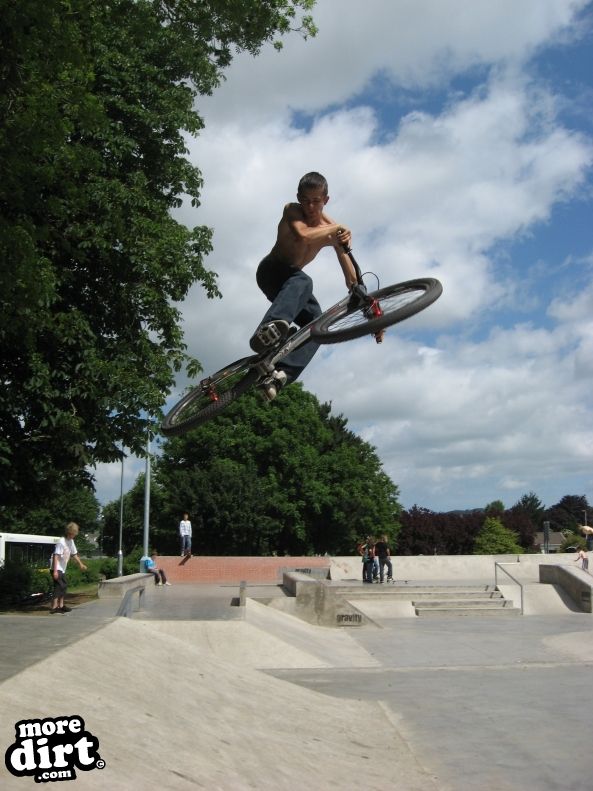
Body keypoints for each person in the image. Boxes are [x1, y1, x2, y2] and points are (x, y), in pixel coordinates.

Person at [249, 172, 357, 400]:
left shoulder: (331, 227)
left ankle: (279, 375)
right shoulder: (292, 210)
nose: (310, 206)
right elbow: (304, 235)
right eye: (306, 200)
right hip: (271, 271)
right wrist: (336, 229)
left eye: (316, 201)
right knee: (303, 280)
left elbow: (348, 269)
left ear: (326, 200)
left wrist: (362, 298)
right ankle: (268, 329)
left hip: (290, 285)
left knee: (318, 324)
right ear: (299, 198)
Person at [49, 522, 87, 614]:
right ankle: (54, 607)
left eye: (74, 534)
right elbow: (56, 556)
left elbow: (74, 554)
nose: (72, 536)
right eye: (71, 534)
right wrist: (55, 571)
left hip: (62, 568)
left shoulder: (71, 542)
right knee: (59, 586)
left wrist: (81, 564)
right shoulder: (61, 542)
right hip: (56, 567)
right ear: (68, 532)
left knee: (64, 585)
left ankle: (61, 605)